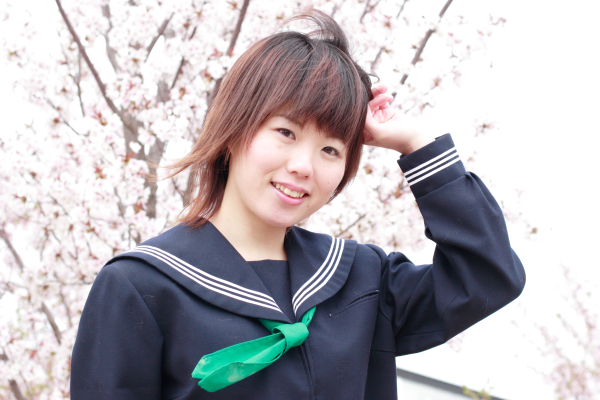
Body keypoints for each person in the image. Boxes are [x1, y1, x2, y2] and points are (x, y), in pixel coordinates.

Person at [70, 10, 525, 400]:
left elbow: (487, 275)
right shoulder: (142, 286)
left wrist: (417, 143)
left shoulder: (362, 280)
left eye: (331, 149)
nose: (303, 166)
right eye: (285, 133)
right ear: (234, 128)